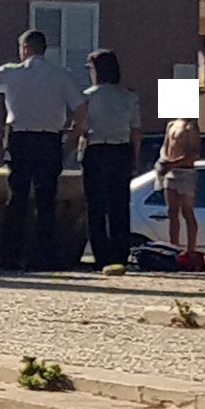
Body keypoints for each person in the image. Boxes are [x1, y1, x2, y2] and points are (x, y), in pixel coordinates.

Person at [0, 30, 87, 270]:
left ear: (25, 48)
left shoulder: (13, 72)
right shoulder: (61, 75)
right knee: (46, 199)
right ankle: (46, 256)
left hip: (19, 139)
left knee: (17, 197)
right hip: (49, 139)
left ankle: (12, 255)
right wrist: (73, 131)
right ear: (45, 49)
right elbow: (81, 106)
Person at [79, 49, 142, 270]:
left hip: (96, 151)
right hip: (121, 151)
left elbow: (82, 128)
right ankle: (120, 253)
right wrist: (135, 158)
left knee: (96, 206)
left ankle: (101, 255)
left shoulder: (88, 96)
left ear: (96, 70)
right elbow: (135, 131)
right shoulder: (129, 96)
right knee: (119, 206)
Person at [157, 116, 201, 256]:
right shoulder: (171, 125)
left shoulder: (191, 127)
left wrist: (173, 163)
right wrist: (164, 160)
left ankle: (190, 250)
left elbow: (194, 153)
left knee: (187, 211)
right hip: (170, 172)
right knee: (172, 211)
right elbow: (165, 146)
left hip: (185, 172)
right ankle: (173, 247)